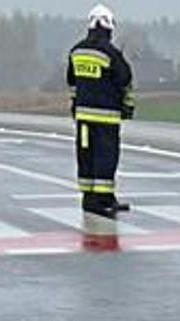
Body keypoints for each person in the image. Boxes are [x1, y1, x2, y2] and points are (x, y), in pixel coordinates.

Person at [67, 4, 134, 218]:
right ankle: (104, 198)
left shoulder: (76, 51)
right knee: (106, 156)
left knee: (86, 155)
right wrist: (127, 107)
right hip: (106, 117)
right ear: (108, 27)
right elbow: (125, 79)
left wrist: (76, 104)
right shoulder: (111, 54)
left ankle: (88, 198)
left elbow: (72, 81)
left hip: (83, 116)